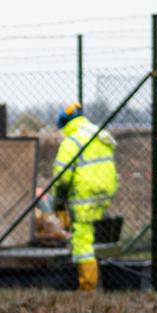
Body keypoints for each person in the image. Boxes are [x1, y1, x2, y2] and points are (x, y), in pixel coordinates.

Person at [51, 102, 118, 292]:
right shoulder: (98, 133)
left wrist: (59, 200)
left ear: (65, 125)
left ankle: (88, 288)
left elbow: (63, 177)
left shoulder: (71, 141)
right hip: (106, 191)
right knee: (94, 235)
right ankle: (99, 279)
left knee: (82, 241)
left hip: (85, 195)